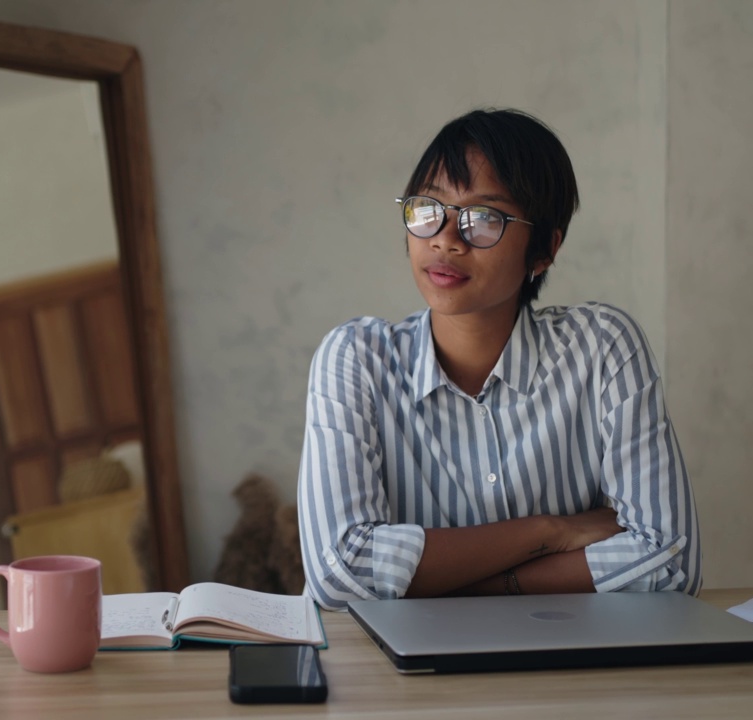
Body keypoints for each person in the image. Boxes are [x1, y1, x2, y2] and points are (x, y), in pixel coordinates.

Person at [297, 109, 700, 610]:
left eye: (484, 218)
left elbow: (669, 562)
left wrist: (442, 586)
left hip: (573, 669)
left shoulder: (602, 347)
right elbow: (342, 573)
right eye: (428, 208)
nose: (445, 238)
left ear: (544, 250)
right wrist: (551, 533)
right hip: (393, 677)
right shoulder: (355, 359)